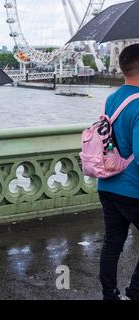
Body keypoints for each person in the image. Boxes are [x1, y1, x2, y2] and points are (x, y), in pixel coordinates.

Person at [98, 44, 139, 300]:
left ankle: (109, 294)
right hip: (133, 189)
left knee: (113, 242)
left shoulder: (112, 98)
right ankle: (135, 293)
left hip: (107, 184)